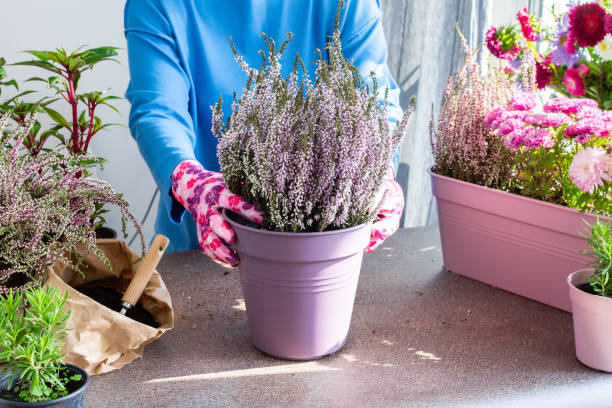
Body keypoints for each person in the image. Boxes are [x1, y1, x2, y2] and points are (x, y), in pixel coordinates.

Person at [124, 0, 405, 264]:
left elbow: (374, 98)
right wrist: (192, 183)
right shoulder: (159, 5)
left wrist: (379, 171)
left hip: (320, 253)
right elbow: (157, 109)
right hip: (203, 246)